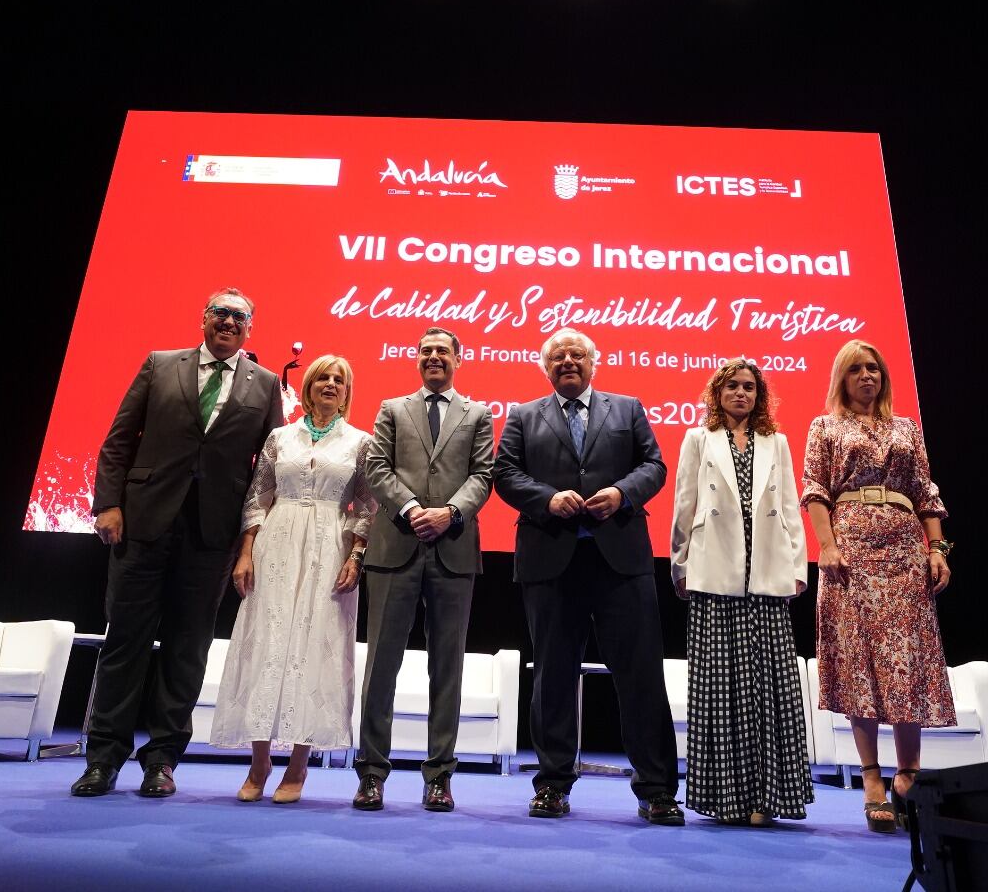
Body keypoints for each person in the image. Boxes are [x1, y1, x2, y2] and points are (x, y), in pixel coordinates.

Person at [71, 288, 285, 799]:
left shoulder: (267, 384)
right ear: (204, 318)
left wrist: (256, 540)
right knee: (126, 642)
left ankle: (162, 761)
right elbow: (119, 439)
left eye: (239, 316)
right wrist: (108, 504)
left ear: (249, 328)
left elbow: (271, 469)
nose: (229, 322)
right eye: (221, 313)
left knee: (187, 650)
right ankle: (103, 759)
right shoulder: (160, 365)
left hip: (212, 535)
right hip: (142, 524)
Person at [494, 329, 682, 825]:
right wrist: (547, 499)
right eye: (558, 357)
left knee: (640, 675)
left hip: (621, 560)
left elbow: (655, 466)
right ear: (545, 367)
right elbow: (506, 473)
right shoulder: (522, 415)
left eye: (578, 354)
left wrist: (622, 494)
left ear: (594, 363)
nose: (569, 361)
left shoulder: (628, 408)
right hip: (550, 561)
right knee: (552, 676)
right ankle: (552, 784)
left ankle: (657, 790)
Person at [801, 339, 955, 833]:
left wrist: (937, 549)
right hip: (851, 550)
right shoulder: (825, 426)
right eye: (856, 370)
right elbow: (816, 490)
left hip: (905, 548)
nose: (867, 376)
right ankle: (871, 778)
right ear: (841, 379)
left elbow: (927, 492)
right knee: (859, 659)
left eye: (874, 368)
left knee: (906, 656)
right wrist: (826, 546)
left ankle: (908, 774)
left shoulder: (906, 427)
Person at [209, 355, 377, 803]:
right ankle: (259, 760)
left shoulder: (360, 442)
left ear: (347, 391)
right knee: (267, 642)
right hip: (276, 545)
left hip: (329, 548)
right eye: (322, 376)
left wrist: (356, 555)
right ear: (307, 386)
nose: (330, 384)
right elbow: (258, 496)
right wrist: (246, 551)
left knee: (315, 645)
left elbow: (366, 505)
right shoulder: (281, 437)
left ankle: (298, 766)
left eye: (339, 379)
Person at [354, 327, 495, 813]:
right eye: (425, 351)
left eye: (442, 351)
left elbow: (483, 475)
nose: (433, 357)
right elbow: (376, 468)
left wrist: (451, 513)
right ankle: (371, 773)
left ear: (459, 358)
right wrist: (413, 509)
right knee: (380, 667)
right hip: (396, 545)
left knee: (447, 668)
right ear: (416, 359)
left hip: (453, 549)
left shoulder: (477, 413)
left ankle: (439, 776)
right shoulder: (392, 408)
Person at [669, 358, 813, 826]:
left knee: (770, 688)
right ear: (718, 392)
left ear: (759, 395)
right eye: (732, 386)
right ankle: (726, 797)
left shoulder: (778, 442)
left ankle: (767, 798)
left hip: (766, 574)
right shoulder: (698, 439)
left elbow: (790, 505)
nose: (741, 394)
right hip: (714, 574)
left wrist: (797, 566)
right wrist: (681, 564)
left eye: (749, 387)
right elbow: (684, 502)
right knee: (719, 687)